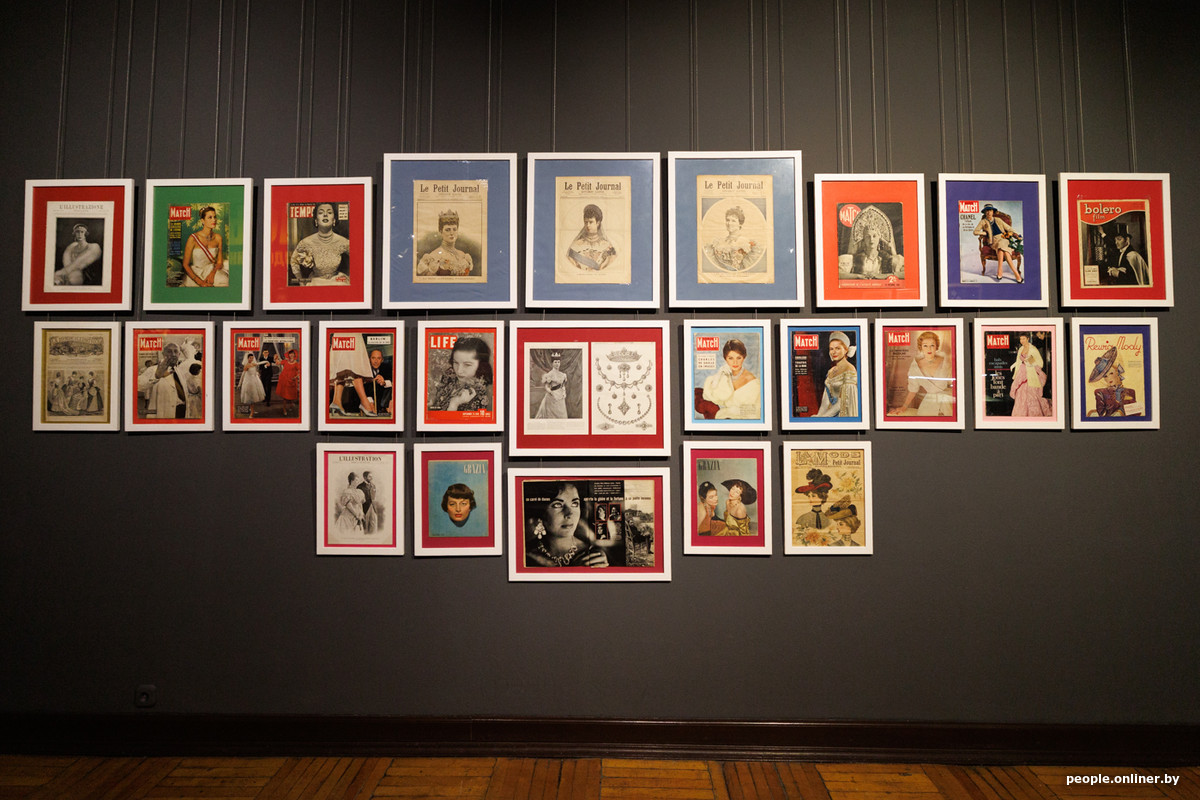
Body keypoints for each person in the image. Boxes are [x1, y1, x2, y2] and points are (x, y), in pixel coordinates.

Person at [524, 482, 609, 568]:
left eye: (575, 504)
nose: (570, 513)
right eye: (557, 505)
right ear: (540, 511)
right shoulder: (525, 554)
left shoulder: (593, 555)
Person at [889, 331, 954, 417]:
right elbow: (913, 390)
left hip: (948, 400)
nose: (929, 349)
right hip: (929, 403)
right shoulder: (915, 367)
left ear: (936, 347)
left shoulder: (946, 361)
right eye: (925, 345)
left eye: (932, 345)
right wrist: (904, 407)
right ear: (921, 347)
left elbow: (954, 382)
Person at [289, 201, 350, 285]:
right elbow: (294, 261)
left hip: (337, 282)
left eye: (329, 212)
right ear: (316, 220)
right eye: (321, 213)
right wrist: (301, 282)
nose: (325, 215)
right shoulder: (306, 242)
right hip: (315, 282)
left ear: (334, 220)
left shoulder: (343, 241)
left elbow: (358, 258)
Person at [700, 339, 761, 419]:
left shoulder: (752, 382)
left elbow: (754, 412)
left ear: (744, 357)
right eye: (731, 358)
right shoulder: (724, 375)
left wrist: (729, 412)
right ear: (725, 358)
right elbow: (709, 396)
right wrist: (719, 376)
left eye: (738, 358)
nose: (735, 362)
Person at [429, 337, 492, 414]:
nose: (459, 371)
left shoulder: (480, 398)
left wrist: (454, 404)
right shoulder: (450, 374)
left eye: (467, 365)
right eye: (456, 363)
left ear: (481, 365)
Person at [840, 205, 902, 277]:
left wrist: (883, 277)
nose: (871, 239)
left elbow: (906, 274)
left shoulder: (888, 259)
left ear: (879, 238)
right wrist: (858, 276)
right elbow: (838, 274)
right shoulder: (854, 259)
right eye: (867, 237)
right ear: (864, 240)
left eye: (874, 236)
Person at [328, 335, 378, 417]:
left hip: (340, 334)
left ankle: (337, 400)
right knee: (355, 366)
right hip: (351, 334)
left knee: (343, 366)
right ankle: (364, 402)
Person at [702, 205, 763, 271]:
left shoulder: (747, 243)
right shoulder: (718, 243)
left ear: (740, 224)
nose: (729, 223)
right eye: (728, 220)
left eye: (733, 221)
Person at [137, 341, 189, 419]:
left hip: (182, 413)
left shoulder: (179, 371)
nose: (173, 354)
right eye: (169, 351)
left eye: (175, 351)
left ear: (179, 354)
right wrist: (156, 376)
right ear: (163, 354)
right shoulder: (153, 370)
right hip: (164, 413)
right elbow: (138, 385)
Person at [973, 204, 1022, 282]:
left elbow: (1008, 228)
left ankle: (1000, 270)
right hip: (993, 241)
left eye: (990, 210)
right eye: (987, 211)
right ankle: (1016, 274)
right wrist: (985, 233)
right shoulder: (983, 221)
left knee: (1002, 248)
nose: (989, 212)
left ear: (993, 212)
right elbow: (975, 232)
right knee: (1003, 249)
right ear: (985, 212)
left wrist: (1016, 235)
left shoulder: (998, 219)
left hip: (1003, 238)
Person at [416, 209, 473, 276]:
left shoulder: (463, 256)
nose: (452, 233)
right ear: (441, 232)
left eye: (454, 229)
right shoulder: (433, 257)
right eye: (447, 230)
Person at [181, 206, 227, 287]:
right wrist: (201, 283)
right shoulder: (193, 238)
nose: (214, 220)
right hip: (196, 272)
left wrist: (212, 274)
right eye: (210, 217)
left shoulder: (218, 238)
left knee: (225, 281)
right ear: (202, 220)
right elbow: (185, 264)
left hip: (212, 270)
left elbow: (219, 262)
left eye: (215, 217)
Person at [816, 331, 858, 417]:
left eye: (837, 348)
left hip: (843, 415)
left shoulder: (849, 369)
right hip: (829, 414)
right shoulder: (830, 371)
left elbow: (843, 402)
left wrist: (824, 417)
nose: (834, 352)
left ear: (846, 350)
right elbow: (825, 402)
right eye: (831, 349)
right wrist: (819, 416)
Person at [1087, 346, 1138, 417]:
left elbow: (1135, 413)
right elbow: (1102, 413)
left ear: (1117, 373)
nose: (1109, 378)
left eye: (1111, 373)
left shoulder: (1130, 392)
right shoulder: (1100, 392)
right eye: (1105, 376)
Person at [1009, 333, 1051, 417]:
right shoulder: (1021, 349)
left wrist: (1028, 361)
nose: (1022, 341)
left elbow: (1040, 363)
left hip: (1031, 373)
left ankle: (1033, 414)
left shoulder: (1033, 349)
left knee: (1031, 393)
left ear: (1028, 339)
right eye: (1021, 339)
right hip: (1021, 372)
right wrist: (1013, 365)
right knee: (1020, 392)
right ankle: (1021, 414)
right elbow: (1018, 361)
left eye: (1023, 339)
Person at [565, 204, 616, 271]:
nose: (588, 225)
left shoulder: (607, 246)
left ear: (598, 223)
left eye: (591, 222)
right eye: (586, 222)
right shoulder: (576, 245)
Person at [534, 352, 568, 419]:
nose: (557, 364)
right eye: (555, 362)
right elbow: (546, 386)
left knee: (562, 416)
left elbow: (563, 385)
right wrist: (551, 392)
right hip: (552, 397)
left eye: (558, 362)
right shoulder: (549, 374)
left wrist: (564, 392)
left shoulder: (562, 375)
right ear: (552, 363)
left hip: (561, 397)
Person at [237, 352, 266, 417]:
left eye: (252, 358)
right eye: (250, 358)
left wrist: (267, 361)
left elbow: (260, 363)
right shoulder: (246, 365)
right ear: (248, 358)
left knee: (253, 396)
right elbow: (243, 375)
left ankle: (252, 410)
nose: (251, 359)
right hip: (248, 381)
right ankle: (251, 412)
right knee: (250, 397)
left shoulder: (253, 364)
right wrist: (239, 384)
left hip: (254, 380)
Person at [274, 349, 301, 417]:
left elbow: (300, 371)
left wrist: (296, 377)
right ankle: (284, 409)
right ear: (288, 355)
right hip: (285, 380)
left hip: (292, 381)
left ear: (294, 355)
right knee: (285, 397)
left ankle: (291, 404)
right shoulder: (285, 361)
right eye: (290, 354)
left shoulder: (296, 363)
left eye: (292, 354)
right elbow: (278, 363)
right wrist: (276, 358)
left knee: (291, 394)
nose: (291, 355)